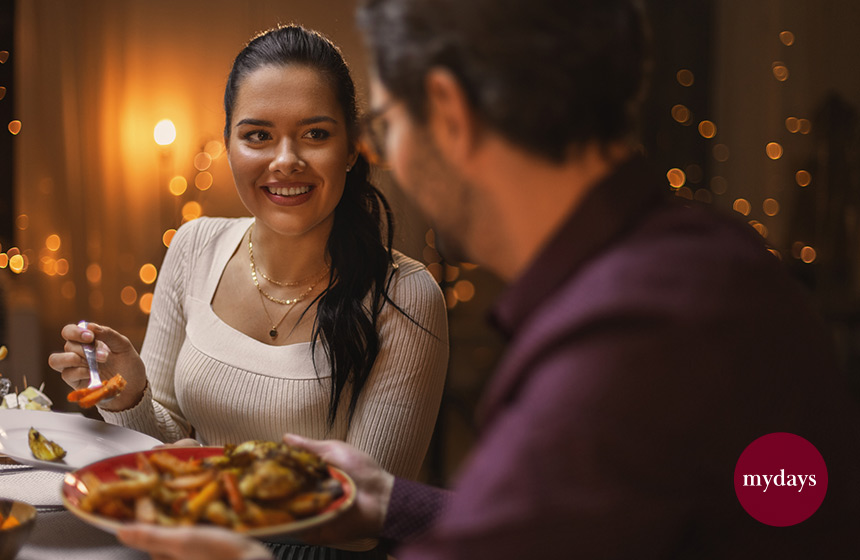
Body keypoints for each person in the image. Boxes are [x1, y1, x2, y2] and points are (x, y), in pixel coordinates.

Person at [117, 0, 860, 558]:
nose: (390, 154)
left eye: (383, 121)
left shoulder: (629, 339)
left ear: (446, 111)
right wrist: (391, 503)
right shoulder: (704, 260)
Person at [48, 24, 448, 560]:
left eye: (315, 134)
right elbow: (168, 441)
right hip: (182, 540)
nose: (285, 160)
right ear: (231, 142)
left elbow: (357, 518)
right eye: (258, 135)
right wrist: (130, 394)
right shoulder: (194, 245)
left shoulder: (405, 295)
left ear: (352, 148)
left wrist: (208, 477)